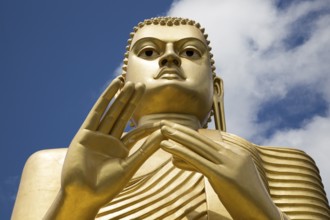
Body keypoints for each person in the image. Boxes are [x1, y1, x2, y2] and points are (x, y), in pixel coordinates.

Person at [12, 17, 330, 219]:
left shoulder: (278, 162)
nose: (169, 57)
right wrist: (77, 203)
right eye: (149, 52)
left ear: (217, 90)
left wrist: (255, 204)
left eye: (190, 52)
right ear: (122, 86)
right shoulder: (56, 167)